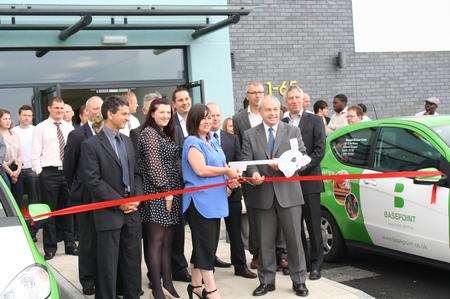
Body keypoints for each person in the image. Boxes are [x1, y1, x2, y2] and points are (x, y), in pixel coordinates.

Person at [241, 95, 309, 297]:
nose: (272, 113)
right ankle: (267, 281)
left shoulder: (292, 131)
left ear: (280, 111)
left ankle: (299, 281)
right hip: (262, 194)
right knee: (265, 241)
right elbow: (247, 160)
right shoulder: (249, 134)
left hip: (289, 194)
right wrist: (253, 173)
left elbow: (303, 160)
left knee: (294, 240)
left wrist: (284, 165)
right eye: (268, 110)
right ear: (260, 112)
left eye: (275, 109)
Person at [80, 95, 142, 299]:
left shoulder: (127, 140)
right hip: (108, 214)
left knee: (132, 264)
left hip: (132, 213)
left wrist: (137, 198)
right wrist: (120, 203)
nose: (128, 117)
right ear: (110, 114)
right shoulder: (91, 145)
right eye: (124, 114)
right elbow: (93, 181)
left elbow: (136, 174)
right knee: (107, 267)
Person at [182, 103, 239, 299]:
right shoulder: (191, 142)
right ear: (194, 121)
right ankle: (211, 290)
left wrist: (230, 182)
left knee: (206, 245)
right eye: (203, 117)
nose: (207, 121)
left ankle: (196, 286)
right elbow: (201, 170)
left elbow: (222, 166)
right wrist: (226, 171)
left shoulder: (213, 141)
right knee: (206, 246)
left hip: (216, 200)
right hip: (199, 202)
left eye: (209, 117)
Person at [138, 98, 183, 299]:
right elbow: (154, 167)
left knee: (167, 243)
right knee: (156, 242)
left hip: (171, 194)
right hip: (158, 195)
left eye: (168, 112)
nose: (166, 116)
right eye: (161, 112)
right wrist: (166, 193)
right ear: (152, 113)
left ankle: (168, 284)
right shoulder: (148, 134)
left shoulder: (164, 133)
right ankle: (157, 288)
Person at [207, 102, 257, 279]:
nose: (215, 118)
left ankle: (240, 266)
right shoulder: (201, 140)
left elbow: (239, 163)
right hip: (211, 193)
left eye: (217, 115)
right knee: (210, 232)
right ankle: (208, 263)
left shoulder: (231, 138)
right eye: (211, 115)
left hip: (232, 191)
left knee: (235, 231)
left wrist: (231, 183)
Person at [282, 85, 326, 281]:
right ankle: (302, 262)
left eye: (297, 97)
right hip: (288, 183)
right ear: (286, 101)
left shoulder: (315, 120)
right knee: (295, 226)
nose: (293, 101)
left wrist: (301, 168)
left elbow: (319, 150)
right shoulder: (282, 122)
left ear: (303, 99)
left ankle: (316, 264)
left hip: (309, 180)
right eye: (290, 98)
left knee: (313, 225)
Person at [63, 96, 103, 296]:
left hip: (105, 196)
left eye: (101, 108)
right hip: (85, 197)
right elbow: (68, 167)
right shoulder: (77, 135)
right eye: (94, 108)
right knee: (87, 242)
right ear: (86, 112)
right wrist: (76, 189)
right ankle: (87, 280)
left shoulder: (108, 132)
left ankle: (104, 276)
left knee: (103, 240)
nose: (98, 111)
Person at [31, 96, 77, 260]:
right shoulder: (41, 128)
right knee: (49, 212)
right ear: (49, 109)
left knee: (68, 210)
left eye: (61, 108)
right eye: (56, 108)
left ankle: (70, 244)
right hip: (49, 173)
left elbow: (73, 150)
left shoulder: (69, 126)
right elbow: (35, 152)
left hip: (67, 173)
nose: (59, 111)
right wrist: (39, 172)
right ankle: (50, 248)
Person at [129, 91, 163, 288]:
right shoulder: (136, 133)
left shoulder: (169, 131)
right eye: (152, 109)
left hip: (167, 194)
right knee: (149, 240)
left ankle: (160, 275)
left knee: (163, 241)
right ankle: (151, 278)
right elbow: (137, 167)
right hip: (146, 193)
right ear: (145, 111)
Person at [232, 81, 263, 270]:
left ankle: (279, 253)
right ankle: (256, 253)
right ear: (248, 95)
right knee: (254, 216)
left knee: (275, 213)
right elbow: (239, 147)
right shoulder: (239, 119)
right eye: (254, 93)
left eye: (260, 92)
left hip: (272, 171)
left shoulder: (273, 112)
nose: (257, 95)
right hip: (250, 173)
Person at [171, 87, 192, 282]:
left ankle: (203, 261)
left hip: (198, 182)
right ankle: (178, 267)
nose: (185, 102)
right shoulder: (171, 123)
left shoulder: (197, 118)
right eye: (180, 100)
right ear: (174, 104)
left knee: (199, 226)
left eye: (187, 99)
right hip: (178, 182)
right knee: (178, 229)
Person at [12, 105, 40, 240]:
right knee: (17, 202)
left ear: (32, 116)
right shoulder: (13, 131)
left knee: (34, 202)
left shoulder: (37, 130)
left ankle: (33, 232)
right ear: (19, 116)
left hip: (32, 171)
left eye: (29, 115)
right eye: (24, 115)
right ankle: (20, 230)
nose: (27, 118)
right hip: (18, 170)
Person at [0, 109, 23, 202]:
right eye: (5, 119)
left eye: (9, 118)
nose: (8, 121)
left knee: (19, 198)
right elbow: (0, 159)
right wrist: (11, 173)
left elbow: (20, 154)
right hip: (4, 169)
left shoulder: (14, 134)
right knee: (8, 199)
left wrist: (18, 170)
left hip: (16, 169)